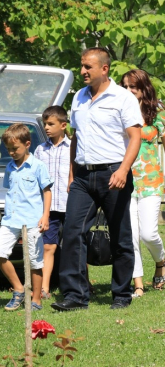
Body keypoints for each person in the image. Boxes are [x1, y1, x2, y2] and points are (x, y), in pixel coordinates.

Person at [51, 47, 142, 312]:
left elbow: (135, 137)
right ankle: (75, 296)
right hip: (82, 176)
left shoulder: (123, 98)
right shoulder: (78, 97)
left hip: (114, 173)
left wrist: (123, 170)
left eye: (87, 67)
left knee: (120, 236)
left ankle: (122, 294)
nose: (82, 72)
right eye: (81, 66)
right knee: (72, 232)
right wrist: (71, 174)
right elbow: (75, 138)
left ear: (104, 69)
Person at [119, 69, 165, 298]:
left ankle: (160, 260)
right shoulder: (118, 110)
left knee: (148, 234)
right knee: (131, 235)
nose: (128, 91)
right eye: (124, 86)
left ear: (143, 87)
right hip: (124, 181)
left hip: (151, 180)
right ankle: (137, 284)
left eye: (132, 86)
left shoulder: (156, 112)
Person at [0, 123, 52, 311]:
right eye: (8, 149)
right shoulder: (10, 168)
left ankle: (36, 299)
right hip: (10, 220)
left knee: (34, 261)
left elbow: (47, 191)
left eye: (15, 149)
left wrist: (45, 216)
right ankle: (19, 289)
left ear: (27, 144)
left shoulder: (38, 166)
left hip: (32, 221)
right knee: (0, 252)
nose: (12, 153)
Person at [34, 106, 70, 299]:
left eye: (51, 124)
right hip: (49, 208)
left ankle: (83, 282)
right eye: (45, 124)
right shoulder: (40, 150)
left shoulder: (72, 147)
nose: (47, 128)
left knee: (75, 244)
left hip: (70, 204)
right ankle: (44, 288)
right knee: (48, 246)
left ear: (63, 125)